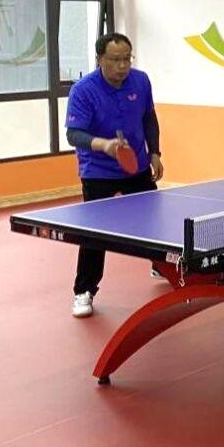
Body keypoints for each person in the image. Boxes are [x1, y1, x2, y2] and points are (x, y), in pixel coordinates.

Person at [65, 33, 164, 318]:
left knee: (156, 220)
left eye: (127, 59)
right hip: (98, 171)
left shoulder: (140, 81)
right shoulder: (83, 90)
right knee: (95, 234)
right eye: (115, 60)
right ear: (100, 59)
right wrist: (104, 145)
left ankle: (162, 265)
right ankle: (84, 290)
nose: (123, 66)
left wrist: (155, 152)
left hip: (137, 166)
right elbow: (74, 134)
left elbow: (148, 117)